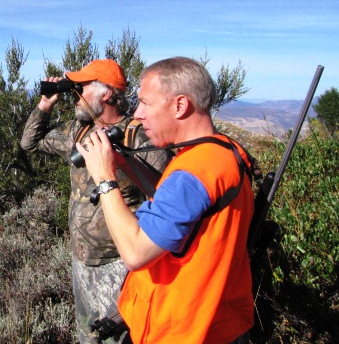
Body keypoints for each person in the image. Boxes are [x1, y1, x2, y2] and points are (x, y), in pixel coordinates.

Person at [76, 56, 254, 343]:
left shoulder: (192, 173)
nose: (137, 114)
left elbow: (135, 253)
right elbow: (179, 209)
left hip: (183, 330)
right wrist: (126, 164)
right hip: (219, 321)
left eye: (145, 103)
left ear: (180, 105)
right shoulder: (223, 151)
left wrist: (105, 177)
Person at [20, 59, 171, 344]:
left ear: (105, 93)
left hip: (120, 265)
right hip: (82, 261)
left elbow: (165, 196)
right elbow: (29, 143)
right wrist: (44, 105)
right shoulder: (75, 133)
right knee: (87, 337)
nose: (76, 94)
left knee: (120, 338)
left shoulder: (138, 138)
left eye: (82, 87)